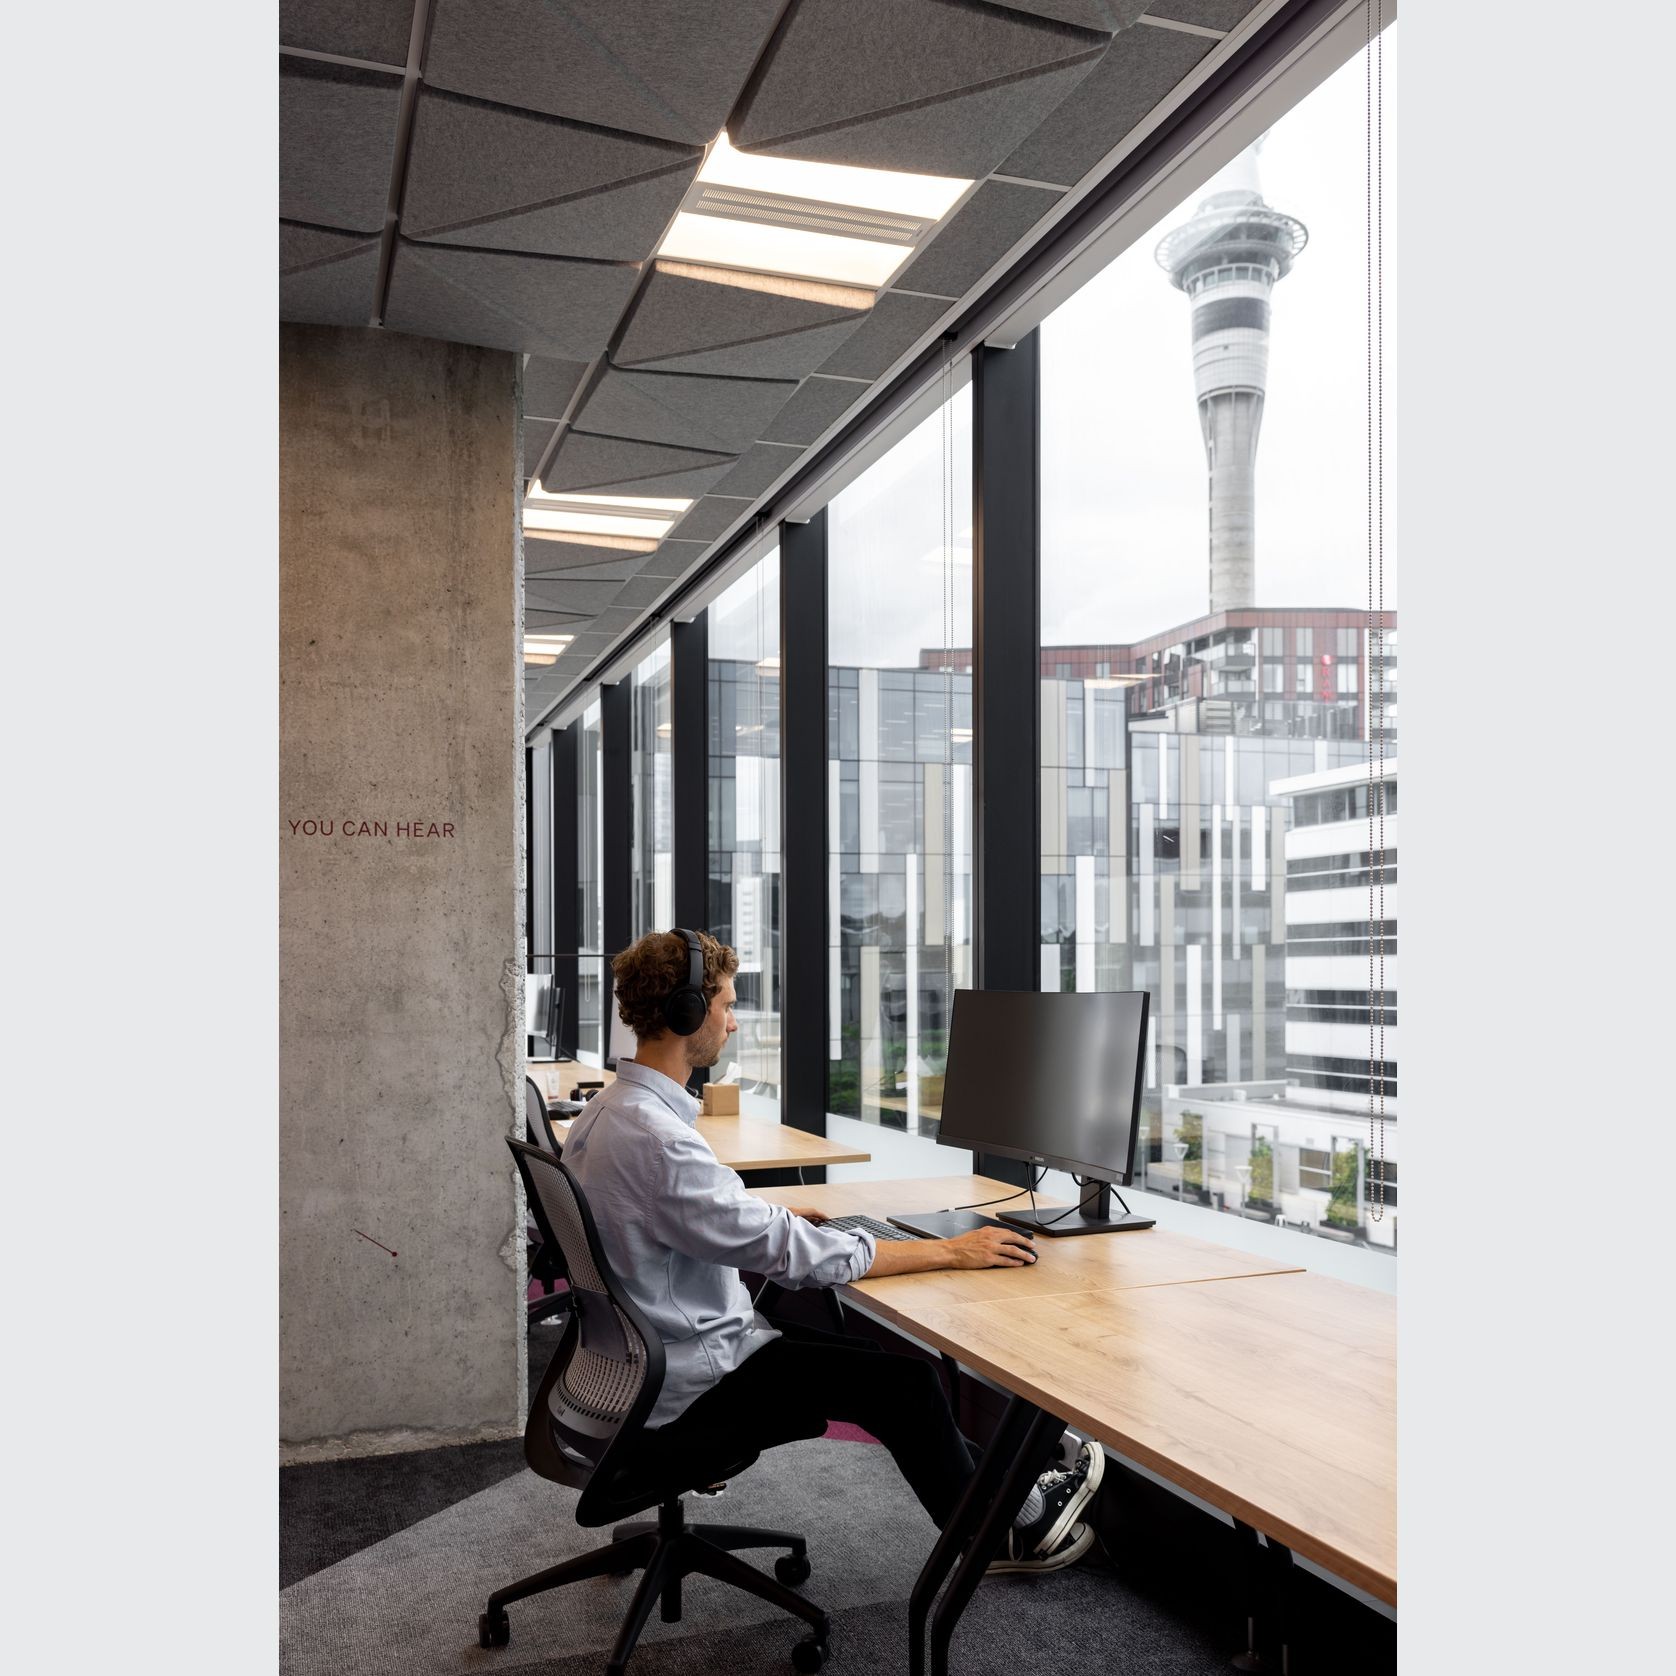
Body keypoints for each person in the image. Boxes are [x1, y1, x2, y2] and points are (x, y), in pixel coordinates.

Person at [562, 928, 1103, 1573]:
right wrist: (951, 1253)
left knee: (868, 1362)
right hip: (691, 1386)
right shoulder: (658, 1139)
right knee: (904, 1383)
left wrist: (768, 1211)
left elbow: (672, 1211)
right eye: (727, 1005)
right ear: (688, 1013)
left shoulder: (606, 1114)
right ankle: (993, 1534)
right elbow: (796, 1256)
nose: (732, 1025)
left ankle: (1005, 1498)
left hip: (623, 1368)